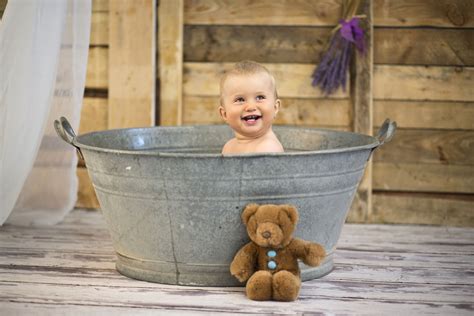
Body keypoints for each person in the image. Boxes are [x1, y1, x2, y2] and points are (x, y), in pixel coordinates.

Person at [218, 61, 284, 154]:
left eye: (260, 97)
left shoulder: (267, 148)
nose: (251, 107)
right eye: (240, 100)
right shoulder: (228, 147)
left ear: (275, 108)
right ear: (224, 114)